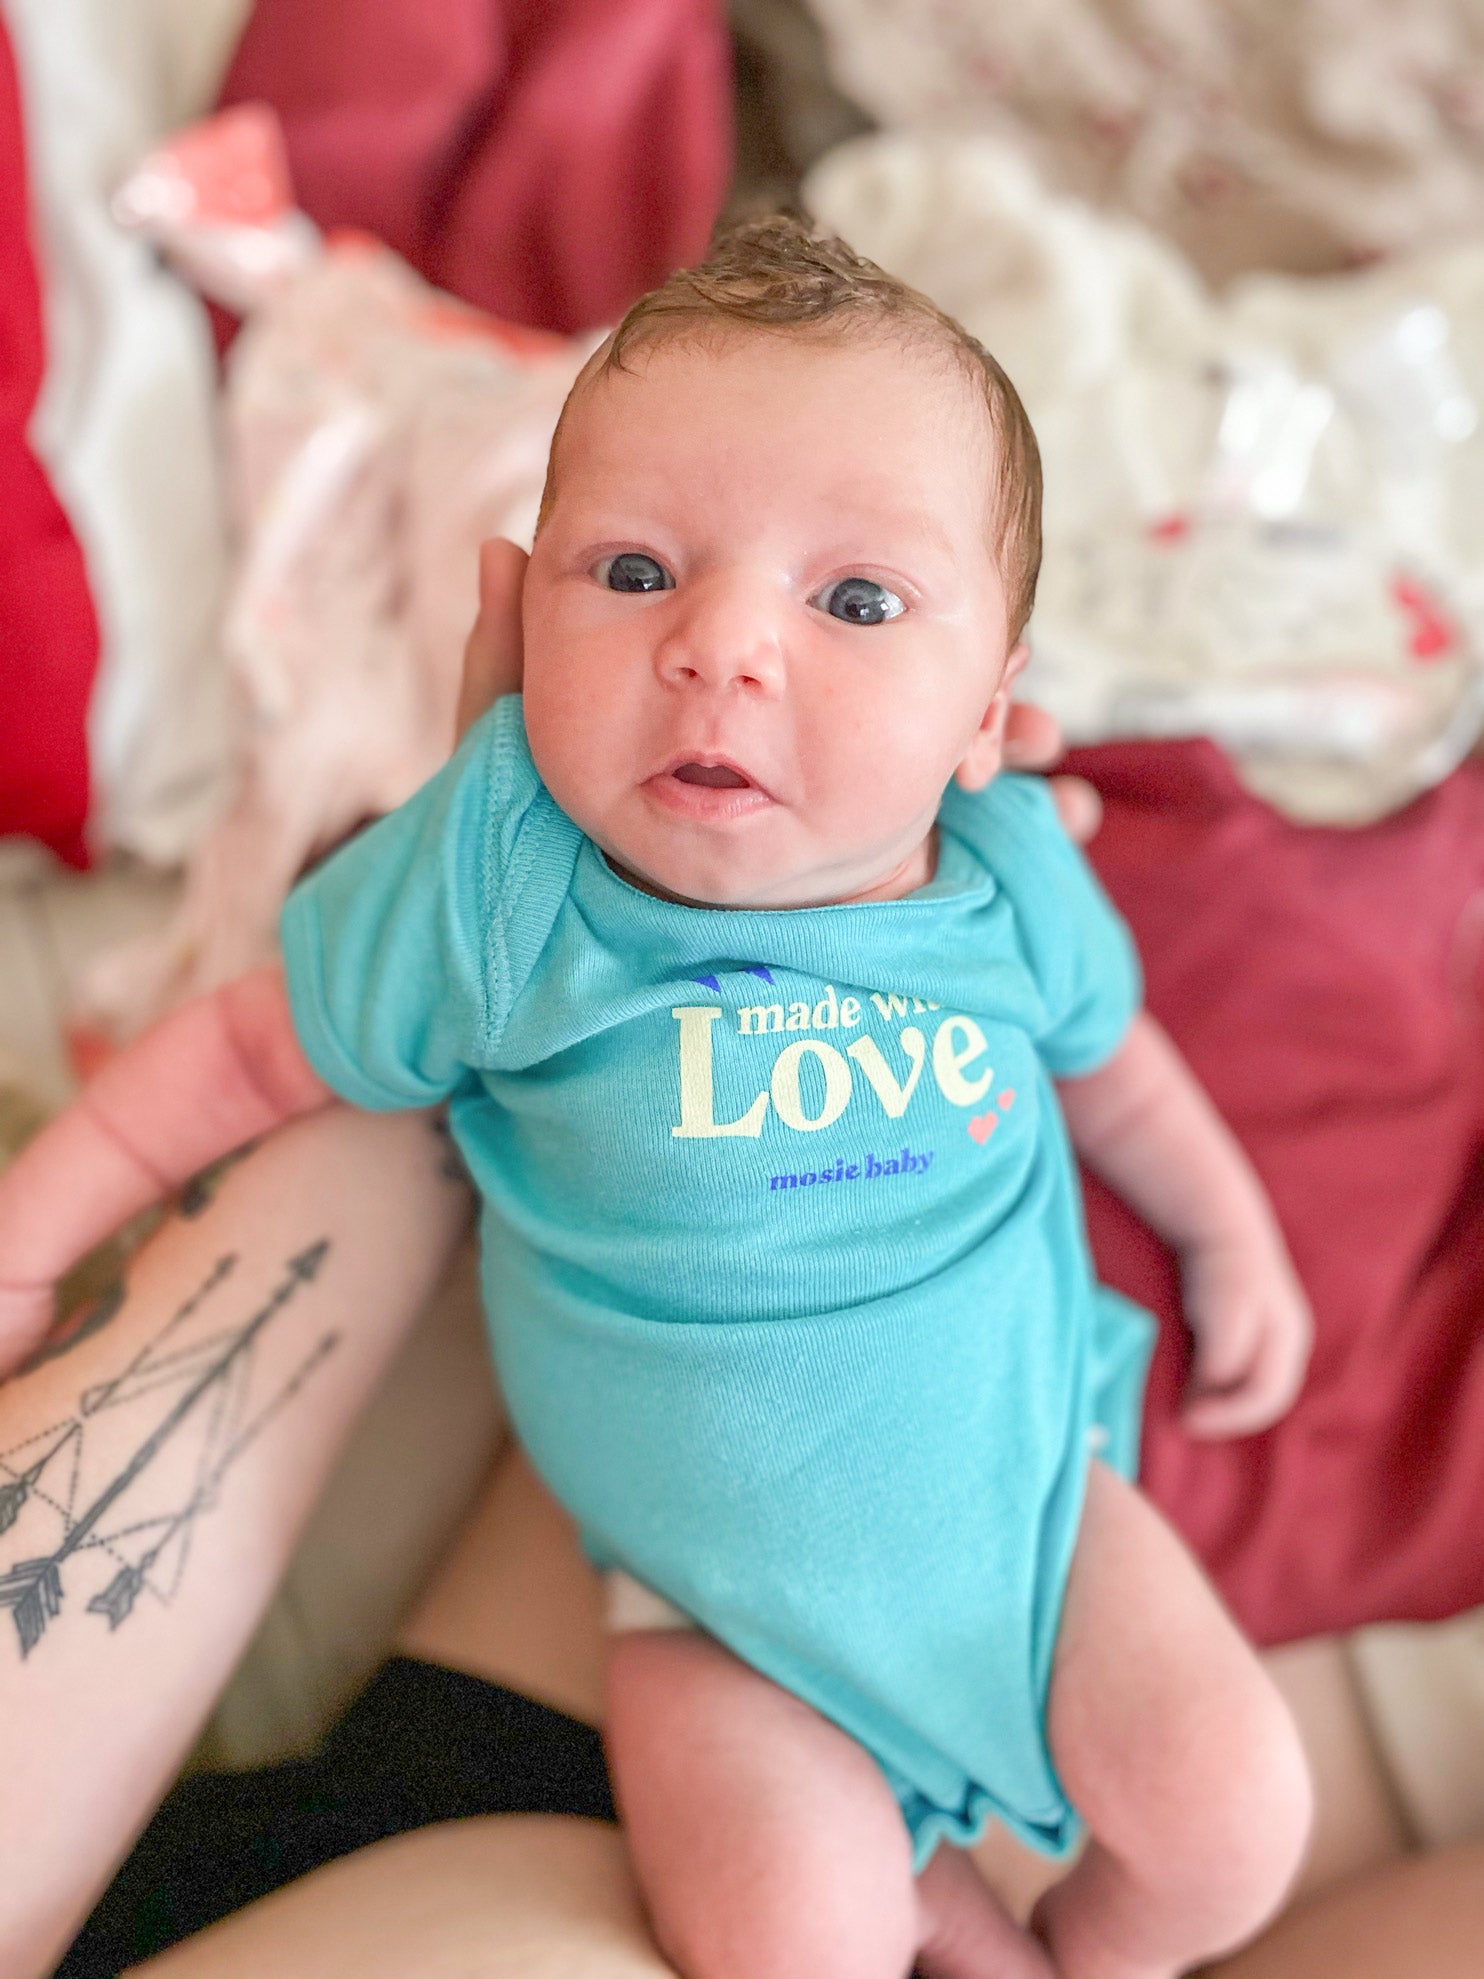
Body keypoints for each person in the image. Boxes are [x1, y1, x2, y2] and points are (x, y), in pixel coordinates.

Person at [0, 218, 1316, 1979]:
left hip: (1028, 1507)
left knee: (1234, 1821)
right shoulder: (505, 878)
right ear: (529, 603)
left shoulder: (994, 871)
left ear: (989, 712)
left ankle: (1089, 1953)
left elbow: (1111, 1064)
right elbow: (246, 1053)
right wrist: (33, 1235)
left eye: (853, 603)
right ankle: (941, 1916)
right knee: (792, 1943)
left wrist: (1235, 1238)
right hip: (700, 1608)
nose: (718, 648)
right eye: (629, 573)